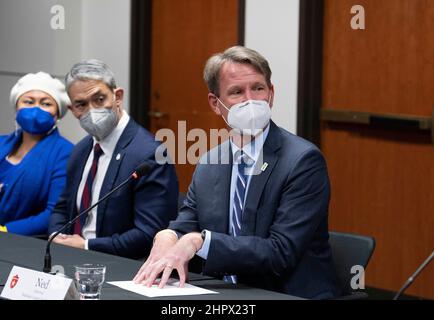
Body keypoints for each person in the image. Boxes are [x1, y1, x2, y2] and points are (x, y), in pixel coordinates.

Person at [134, 46, 341, 299]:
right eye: (236, 92)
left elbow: (280, 253)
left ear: (271, 94)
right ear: (215, 104)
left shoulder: (302, 161)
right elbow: (188, 222)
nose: (250, 100)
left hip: (284, 292)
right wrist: (169, 235)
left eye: (258, 88)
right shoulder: (211, 161)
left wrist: (200, 241)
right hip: (226, 292)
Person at [48, 59, 179, 259]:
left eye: (99, 99)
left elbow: (149, 234)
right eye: (81, 104)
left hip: (120, 266)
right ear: (73, 110)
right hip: (71, 259)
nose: (92, 111)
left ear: (117, 96)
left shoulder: (150, 154)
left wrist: (86, 246)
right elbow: (62, 207)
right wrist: (57, 238)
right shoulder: (80, 150)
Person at [0, 71, 73, 235]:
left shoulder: (65, 152)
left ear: (57, 113)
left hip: (25, 243)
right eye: (28, 101)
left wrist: (4, 231)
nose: (36, 109)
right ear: (17, 106)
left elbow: (54, 214)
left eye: (46, 104)